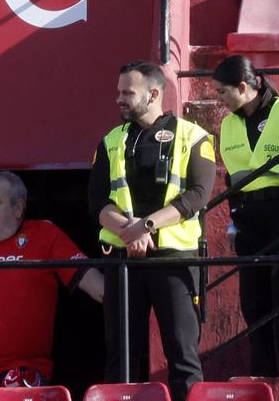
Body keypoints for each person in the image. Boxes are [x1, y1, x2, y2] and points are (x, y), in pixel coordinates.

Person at [89, 61, 214, 399]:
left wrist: (146, 226)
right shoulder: (110, 141)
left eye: (127, 93)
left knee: (183, 357)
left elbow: (198, 195)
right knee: (120, 359)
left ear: (154, 94)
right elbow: (96, 201)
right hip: (122, 263)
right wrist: (132, 232)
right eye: (118, 92)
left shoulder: (194, 136)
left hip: (175, 261)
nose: (119, 99)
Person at [210, 55, 279, 381]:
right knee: (254, 300)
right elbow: (233, 179)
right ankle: (261, 374)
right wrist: (234, 219)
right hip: (247, 217)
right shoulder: (229, 124)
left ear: (243, 87)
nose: (219, 98)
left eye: (222, 91)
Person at [0, 171, 100, 400]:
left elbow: (87, 276)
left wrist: (125, 297)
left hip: (23, 376)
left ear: (18, 208)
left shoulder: (44, 234)